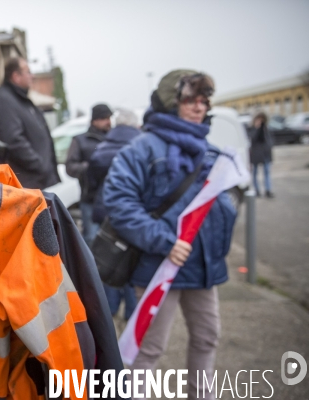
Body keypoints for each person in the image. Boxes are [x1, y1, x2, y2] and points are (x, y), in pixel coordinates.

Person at [104, 70, 237, 399]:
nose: (199, 107)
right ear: (170, 101)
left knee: (208, 337)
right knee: (147, 350)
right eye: (190, 99)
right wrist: (164, 241)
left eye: (204, 99)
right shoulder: (142, 148)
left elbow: (217, 204)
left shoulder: (210, 149)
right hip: (158, 265)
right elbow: (119, 202)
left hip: (202, 267)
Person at [88, 109, 141, 322]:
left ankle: (108, 312)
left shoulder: (102, 148)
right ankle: (132, 313)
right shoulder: (142, 148)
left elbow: (91, 180)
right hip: (136, 214)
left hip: (107, 211)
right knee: (133, 262)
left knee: (109, 260)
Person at [0, 57, 60, 189]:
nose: (32, 76)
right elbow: (13, 141)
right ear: (16, 76)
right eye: (28, 72)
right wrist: (40, 166)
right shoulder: (3, 101)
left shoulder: (21, 99)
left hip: (41, 182)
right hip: (29, 184)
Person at [65, 103, 112, 246]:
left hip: (111, 197)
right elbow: (70, 167)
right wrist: (90, 167)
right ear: (95, 120)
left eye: (109, 117)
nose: (108, 121)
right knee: (91, 238)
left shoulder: (113, 139)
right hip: (90, 198)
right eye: (104, 118)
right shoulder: (80, 140)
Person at [248, 112, 274, 198]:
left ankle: (268, 190)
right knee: (255, 173)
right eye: (258, 118)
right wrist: (256, 128)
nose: (260, 121)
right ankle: (257, 190)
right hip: (256, 154)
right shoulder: (252, 128)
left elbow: (269, 141)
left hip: (265, 154)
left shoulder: (265, 128)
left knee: (266, 172)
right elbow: (252, 138)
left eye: (261, 119)